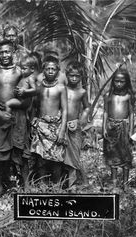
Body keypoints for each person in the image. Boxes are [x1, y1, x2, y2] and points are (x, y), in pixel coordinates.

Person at [24, 53, 68, 185]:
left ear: (57, 71)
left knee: (56, 159)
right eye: (47, 69)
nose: (50, 71)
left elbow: (65, 110)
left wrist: (61, 131)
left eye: (53, 69)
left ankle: (56, 185)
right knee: (41, 158)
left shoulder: (61, 88)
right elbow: (34, 106)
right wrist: (33, 121)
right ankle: (42, 183)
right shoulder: (39, 88)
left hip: (56, 126)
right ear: (43, 70)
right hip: (41, 126)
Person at [0, 39, 22, 196]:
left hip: (16, 115)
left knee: (15, 151)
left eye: (7, 52)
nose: (4, 55)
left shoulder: (19, 71)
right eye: (1, 52)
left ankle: (12, 183)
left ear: (13, 53)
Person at [10, 53, 41, 190]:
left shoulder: (31, 79)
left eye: (24, 68)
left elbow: (36, 91)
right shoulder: (21, 78)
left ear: (32, 69)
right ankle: (15, 180)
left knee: (23, 151)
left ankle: (27, 184)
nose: (22, 70)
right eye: (21, 68)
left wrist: (24, 92)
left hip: (24, 116)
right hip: (15, 115)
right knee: (14, 149)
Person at [103, 68, 134, 190]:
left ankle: (125, 183)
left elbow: (131, 113)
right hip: (111, 127)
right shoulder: (108, 96)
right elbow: (105, 112)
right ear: (113, 81)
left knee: (126, 154)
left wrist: (131, 130)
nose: (119, 84)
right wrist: (104, 127)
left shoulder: (128, 96)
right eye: (116, 81)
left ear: (126, 82)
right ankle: (114, 181)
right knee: (112, 154)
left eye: (122, 81)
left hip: (124, 127)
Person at [64, 61, 90, 187]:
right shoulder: (62, 89)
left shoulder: (82, 92)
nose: (74, 78)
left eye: (77, 76)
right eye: (71, 75)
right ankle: (66, 181)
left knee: (74, 153)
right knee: (63, 154)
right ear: (66, 75)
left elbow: (86, 107)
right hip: (62, 125)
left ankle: (75, 182)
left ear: (81, 77)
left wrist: (81, 120)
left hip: (75, 126)